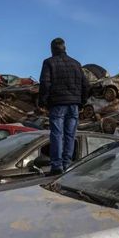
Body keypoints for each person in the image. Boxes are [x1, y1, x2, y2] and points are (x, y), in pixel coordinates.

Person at [39, 37, 88, 175]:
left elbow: (45, 83)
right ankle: (67, 164)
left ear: (52, 49)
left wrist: (42, 102)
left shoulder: (49, 62)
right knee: (70, 135)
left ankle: (57, 165)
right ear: (65, 48)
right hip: (74, 105)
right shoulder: (76, 64)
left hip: (58, 104)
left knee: (56, 134)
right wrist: (82, 102)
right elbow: (86, 85)